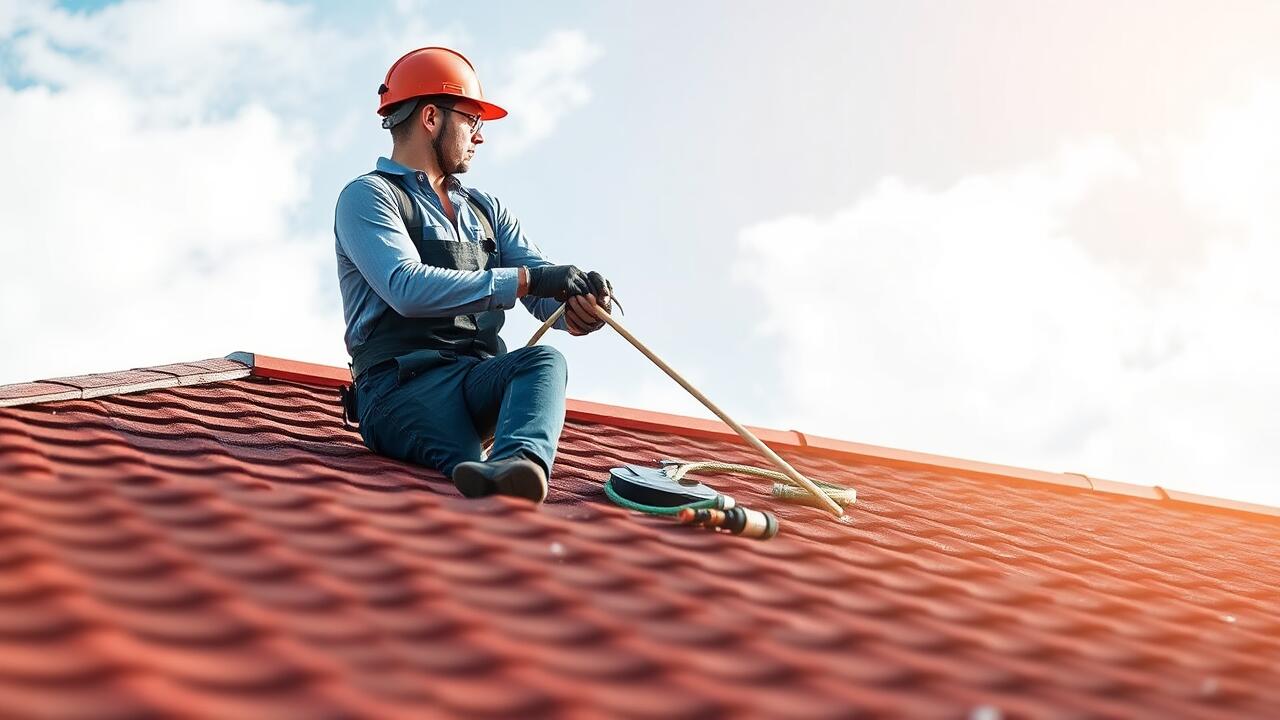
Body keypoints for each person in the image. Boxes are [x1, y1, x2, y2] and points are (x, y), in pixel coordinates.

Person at [334, 47, 612, 503]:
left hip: (473, 379)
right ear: (431, 118)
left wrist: (579, 307)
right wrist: (525, 281)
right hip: (399, 390)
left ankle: (520, 464)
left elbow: (544, 288)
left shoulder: (486, 210)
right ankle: (495, 490)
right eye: (472, 120)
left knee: (544, 362)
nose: (480, 136)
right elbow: (406, 287)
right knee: (465, 476)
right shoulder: (368, 197)